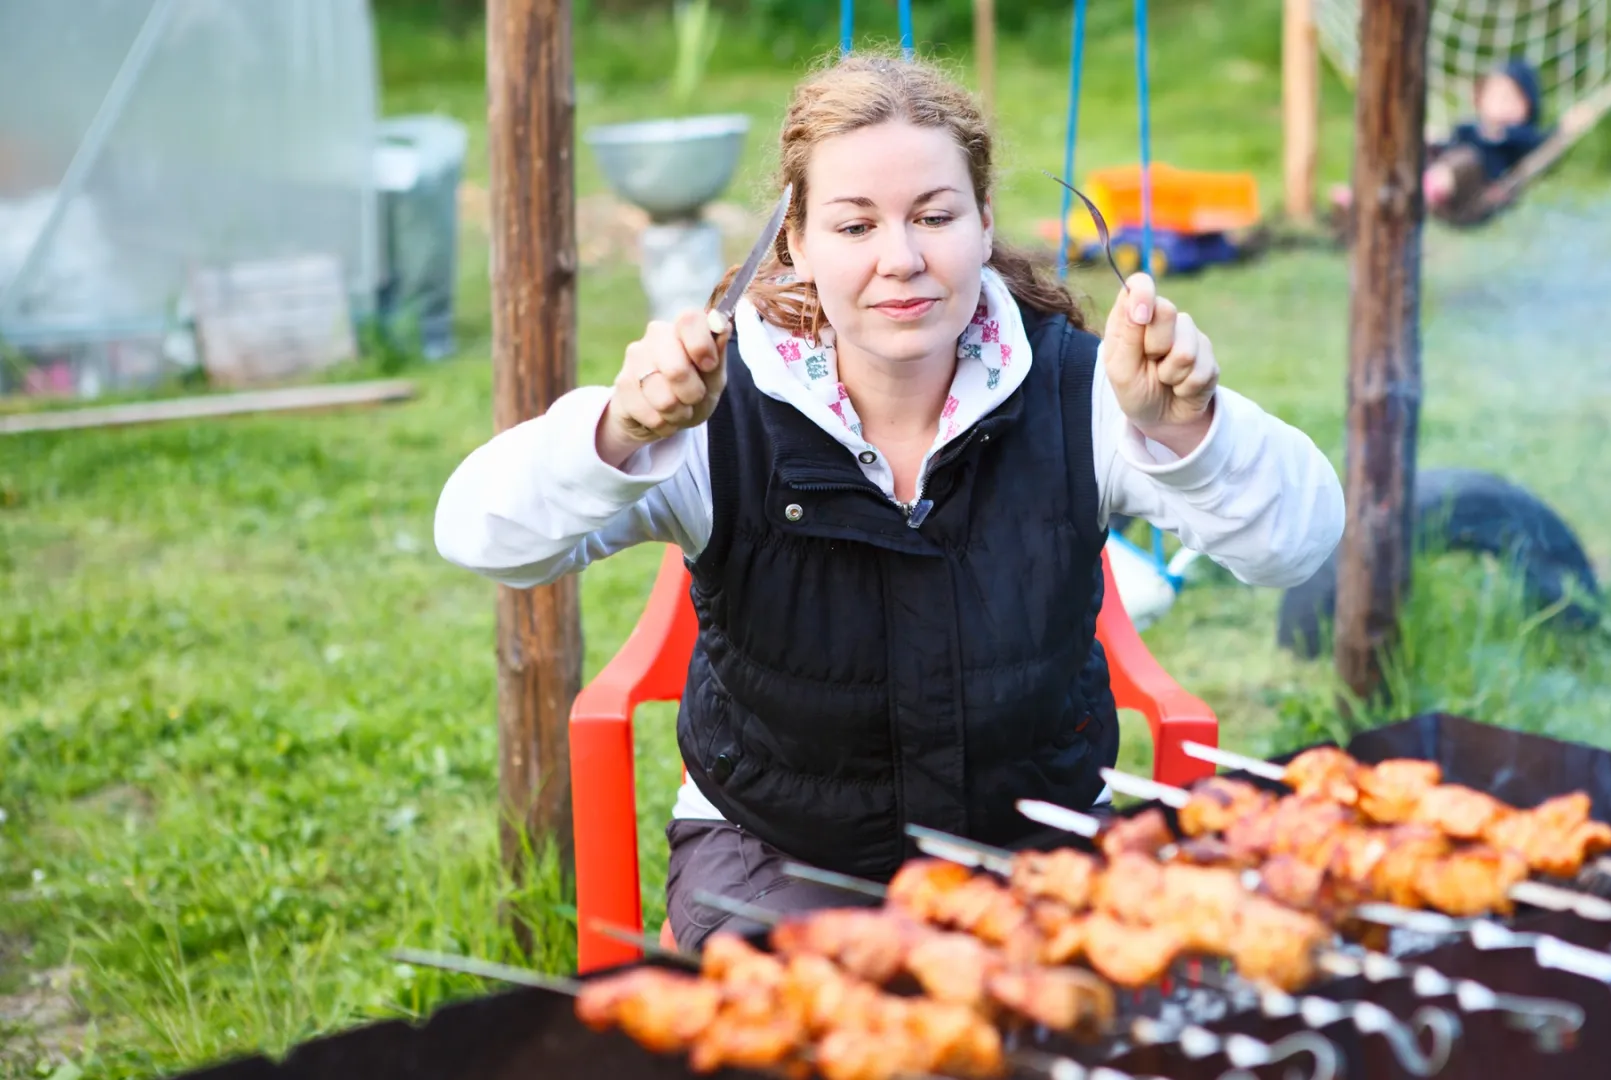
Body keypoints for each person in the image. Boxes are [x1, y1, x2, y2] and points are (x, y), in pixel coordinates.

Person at [434, 52, 1344, 951]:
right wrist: (619, 432)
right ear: (797, 241)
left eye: (935, 216)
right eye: (855, 225)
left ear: (985, 222)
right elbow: (479, 531)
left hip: (1035, 852)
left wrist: (1190, 436)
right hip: (777, 857)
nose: (900, 259)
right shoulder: (716, 409)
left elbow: (1296, 543)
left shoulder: (1088, 394)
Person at [1331, 59, 1552, 222]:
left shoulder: (1521, 136)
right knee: (1421, 145)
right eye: (1495, 96)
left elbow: (1541, 145)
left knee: (1465, 159)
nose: (1501, 104)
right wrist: (1434, 140)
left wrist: (1567, 128)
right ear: (1481, 99)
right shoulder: (1470, 128)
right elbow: (1451, 143)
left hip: (1476, 190)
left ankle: (1404, 198)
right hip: (1442, 177)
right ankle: (1371, 190)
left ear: (1528, 106)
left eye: (1510, 98)